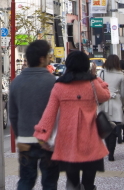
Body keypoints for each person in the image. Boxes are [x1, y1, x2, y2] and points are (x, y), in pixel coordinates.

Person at [35, 51, 110, 190]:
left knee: (73, 182)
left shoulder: (59, 86)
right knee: (88, 183)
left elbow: (49, 113)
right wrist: (95, 77)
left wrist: (42, 135)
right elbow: (106, 95)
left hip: (67, 140)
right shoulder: (92, 83)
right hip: (90, 138)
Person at [10, 40, 60, 190]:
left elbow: (13, 114)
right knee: (49, 182)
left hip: (25, 139)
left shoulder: (16, 82)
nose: (50, 59)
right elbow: (58, 114)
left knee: (25, 180)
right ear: (41, 59)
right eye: (48, 56)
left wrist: (20, 135)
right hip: (48, 141)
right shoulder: (53, 82)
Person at [98, 54, 124, 161]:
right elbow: (123, 93)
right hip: (116, 103)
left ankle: (108, 150)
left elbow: (97, 88)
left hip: (104, 102)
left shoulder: (101, 73)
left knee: (106, 128)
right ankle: (111, 153)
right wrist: (122, 103)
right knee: (114, 129)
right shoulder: (121, 75)